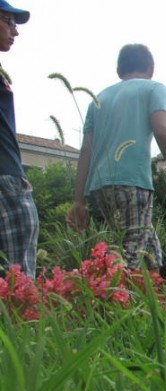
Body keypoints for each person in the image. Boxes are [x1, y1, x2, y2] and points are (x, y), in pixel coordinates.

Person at [67, 43, 166, 270]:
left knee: (150, 251)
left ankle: (155, 299)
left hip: (101, 186)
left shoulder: (98, 99)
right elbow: (162, 130)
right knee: (131, 253)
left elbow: (86, 150)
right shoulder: (154, 88)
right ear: (151, 69)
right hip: (132, 183)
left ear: (119, 72)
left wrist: (79, 200)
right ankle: (118, 300)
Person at [0, 0, 37, 278]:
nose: (16, 31)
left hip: (11, 177)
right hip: (6, 181)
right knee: (17, 286)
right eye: (8, 21)